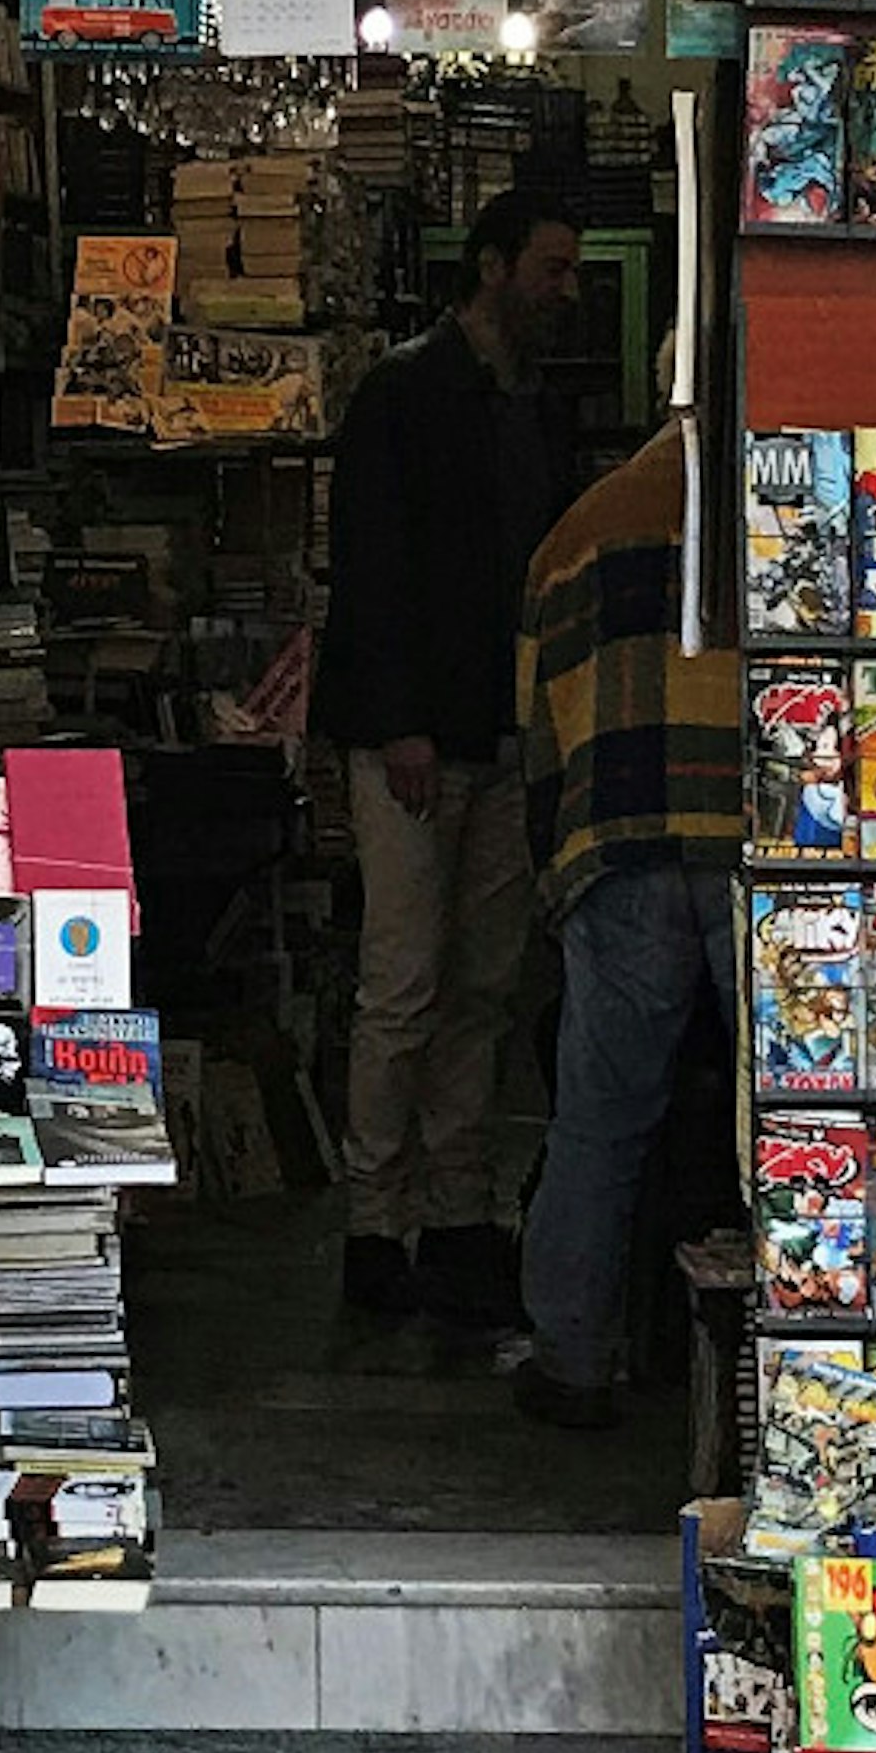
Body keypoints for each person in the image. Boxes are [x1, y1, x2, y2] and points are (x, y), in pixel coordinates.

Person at [309, 188, 582, 1324]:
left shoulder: (539, 403)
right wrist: (400, 720)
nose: (569, 290)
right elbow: (369, 564)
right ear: (491, 265)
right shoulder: (404, 392)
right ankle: (377, 1220)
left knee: (479, 981)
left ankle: (458, 1205)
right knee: (407, 980)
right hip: (419, 735)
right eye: (552, 268)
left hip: (505, 728)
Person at [510, 410, 744, 1428]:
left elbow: (537, 736)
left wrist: (551, 869)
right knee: (790, 1113)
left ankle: (571, 1357)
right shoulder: (772, 507)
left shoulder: (578, 531)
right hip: (759, 842)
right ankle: (802, 1350)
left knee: (598, 1116)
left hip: (619, 847)